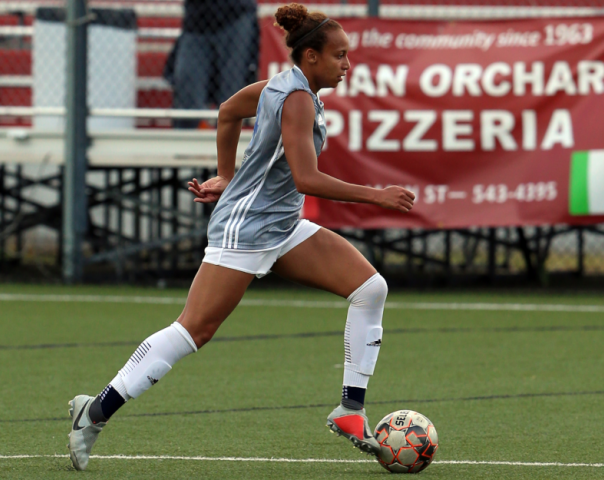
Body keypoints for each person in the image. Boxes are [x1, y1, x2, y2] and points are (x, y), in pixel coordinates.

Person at [67, 3, 416, 471]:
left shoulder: (287, 86)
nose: (347, 64)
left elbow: (228, 111)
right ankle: (94, 412)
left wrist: (228, 175)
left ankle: (350, 409)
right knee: (194, 330)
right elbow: (306, 178)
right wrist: (377, 195)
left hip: (282, 226)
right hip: (248, 229)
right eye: (339, 56)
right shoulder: (295, 97)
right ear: (311, 56)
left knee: (370, 288)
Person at [165, 0, 259, 129]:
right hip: (196, 21)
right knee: (188, 96)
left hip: (235, 16)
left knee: (230, 98)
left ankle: (226, 140)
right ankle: (185, 140)